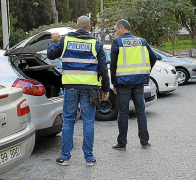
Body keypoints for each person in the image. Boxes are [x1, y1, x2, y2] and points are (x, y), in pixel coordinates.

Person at [47, 16, 110, 166]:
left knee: (68, 120)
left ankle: (65, 157)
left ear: (76, 26)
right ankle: (89, 158)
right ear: (89, 28)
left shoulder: (65, 41)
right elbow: (103, 69)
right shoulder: (96, 44)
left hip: (71, 87)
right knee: (88, 121)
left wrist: (53, 41)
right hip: (90, 88)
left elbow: (50, 55)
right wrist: (105, 89)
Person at [110, 19, 157, 151]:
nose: (116, 32)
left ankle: (122, 143)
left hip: (123, 83)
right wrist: (146, 72)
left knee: (123, 113)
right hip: (139, 82)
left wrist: (114, 82)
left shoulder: (117, 42)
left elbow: (113, 65)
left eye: (116, 30)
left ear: (121, 28)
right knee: (141, 112)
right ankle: (145, 142)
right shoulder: (142, 41)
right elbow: (153, 57)